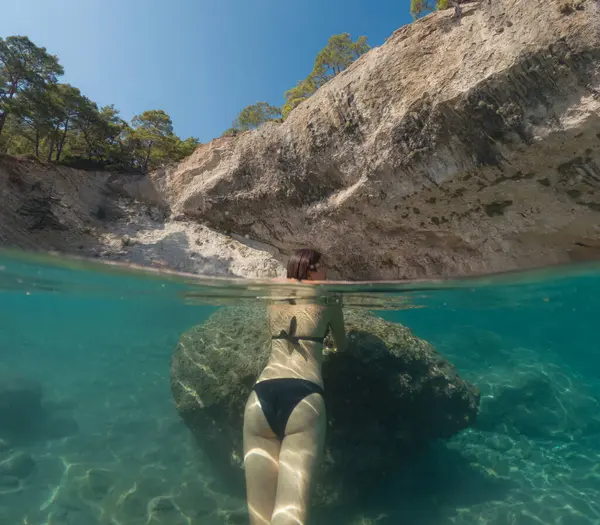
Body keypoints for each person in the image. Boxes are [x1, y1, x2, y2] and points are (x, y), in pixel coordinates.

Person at [243, 248, 348, 525]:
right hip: (304, 396)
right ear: (313, 268)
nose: (329, 271)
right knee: (291, 514)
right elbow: (342, 344)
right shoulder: (328, 297)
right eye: (325, 266)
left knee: (259, 517)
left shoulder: (273, 294)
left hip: (260, 396)